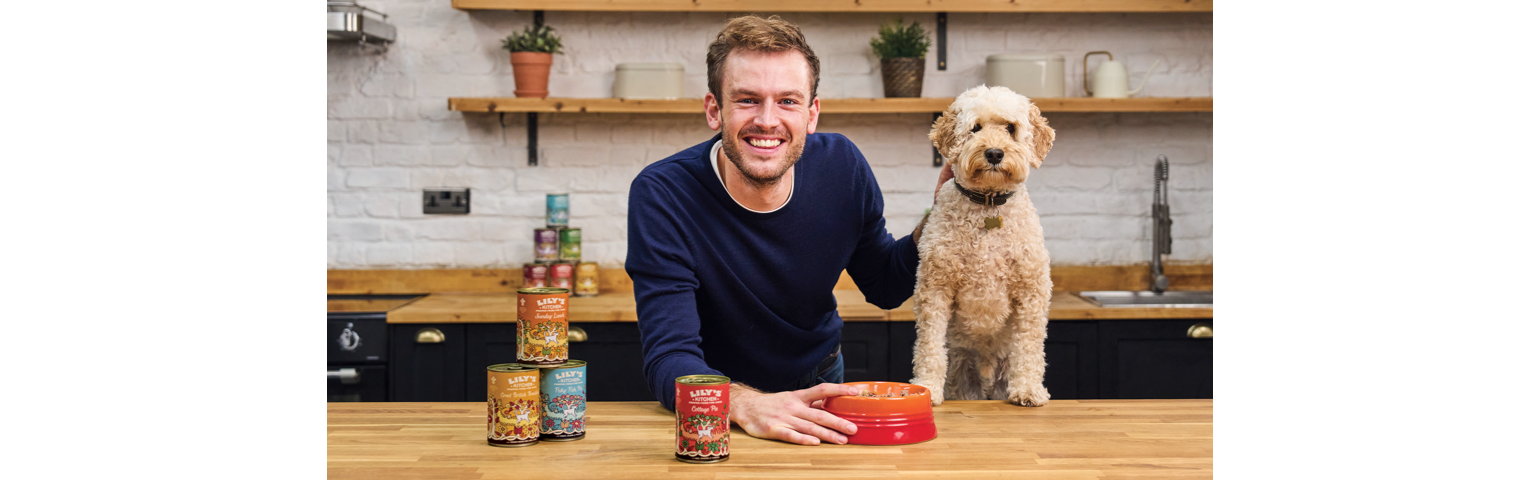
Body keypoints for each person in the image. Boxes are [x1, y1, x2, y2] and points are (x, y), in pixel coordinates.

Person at [625, 15, 953, 446]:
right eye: (746, 99)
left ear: (811, 113)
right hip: (717, 400)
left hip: (821, 389)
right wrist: (743, 403)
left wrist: (940, 217)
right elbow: (670, 356)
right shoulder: (663, 193)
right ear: (713, 110)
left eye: (787, 101)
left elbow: (885, 286)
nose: (767, 120)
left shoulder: (843, 167)